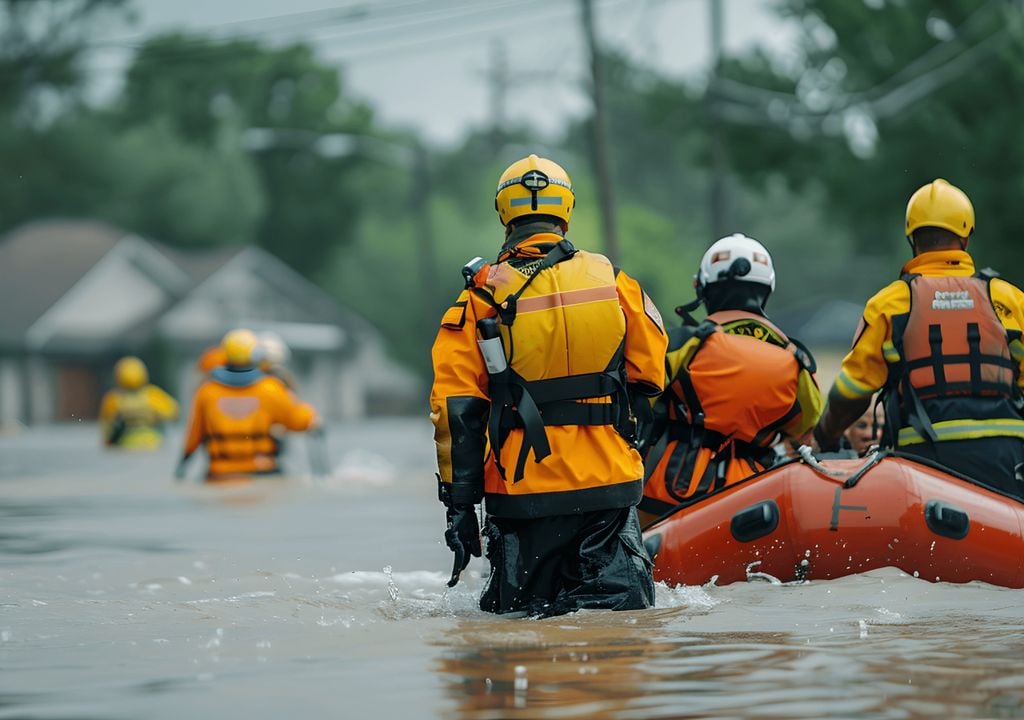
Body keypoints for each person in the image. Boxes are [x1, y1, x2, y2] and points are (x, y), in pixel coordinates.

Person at [429, 153, 668, 616]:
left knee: (519, 636)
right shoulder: (614, 282)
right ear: (566, 210)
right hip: (608, 486)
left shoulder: (478, 299)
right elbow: (651, 375)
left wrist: (459, 508)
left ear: (504, 212)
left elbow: (455, 412)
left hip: (522, 495)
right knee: (618, 640)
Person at [814, 178, 1024, 497]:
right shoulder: (1009, 300)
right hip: (1006, 462)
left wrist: (826, 435)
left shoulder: (891, 303)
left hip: (925, 467)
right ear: (966, 239)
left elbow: (851, 392)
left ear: (913, 239)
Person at [639, 234, 823, 525]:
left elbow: (638, 402)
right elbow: (807, 423)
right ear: (767, 290)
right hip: (756, 500)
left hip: (671, 496)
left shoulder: (682, 345)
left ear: (703, 290)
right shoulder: (795, 360)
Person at [178, 328, 319, 482]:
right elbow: (297, 420)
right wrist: (312, 418)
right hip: (262, 472)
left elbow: (194, 435)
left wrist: (182, 464)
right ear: (255, 354)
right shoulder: (270, 389)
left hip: (220, 474)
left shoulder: (206, 391)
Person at [99, 356, 179, 450]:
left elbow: (106, 427)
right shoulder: (152, 395)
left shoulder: (114, 399)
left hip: (125, 443)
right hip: (153, 441)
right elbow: (174, 412)